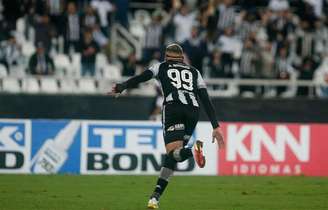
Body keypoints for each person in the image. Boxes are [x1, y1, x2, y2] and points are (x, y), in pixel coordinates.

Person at [110, 43, 225, 209]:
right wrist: (215, 125)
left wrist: (123, 86)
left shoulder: (161, 66)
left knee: (173, 153)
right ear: (182, 58)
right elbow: (205, 98)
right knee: (174, 156)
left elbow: (142, 77)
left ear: (166, 57)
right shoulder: (194, 71)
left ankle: (192, 151)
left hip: (173, 108)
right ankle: (155, 197)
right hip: (193, 110)